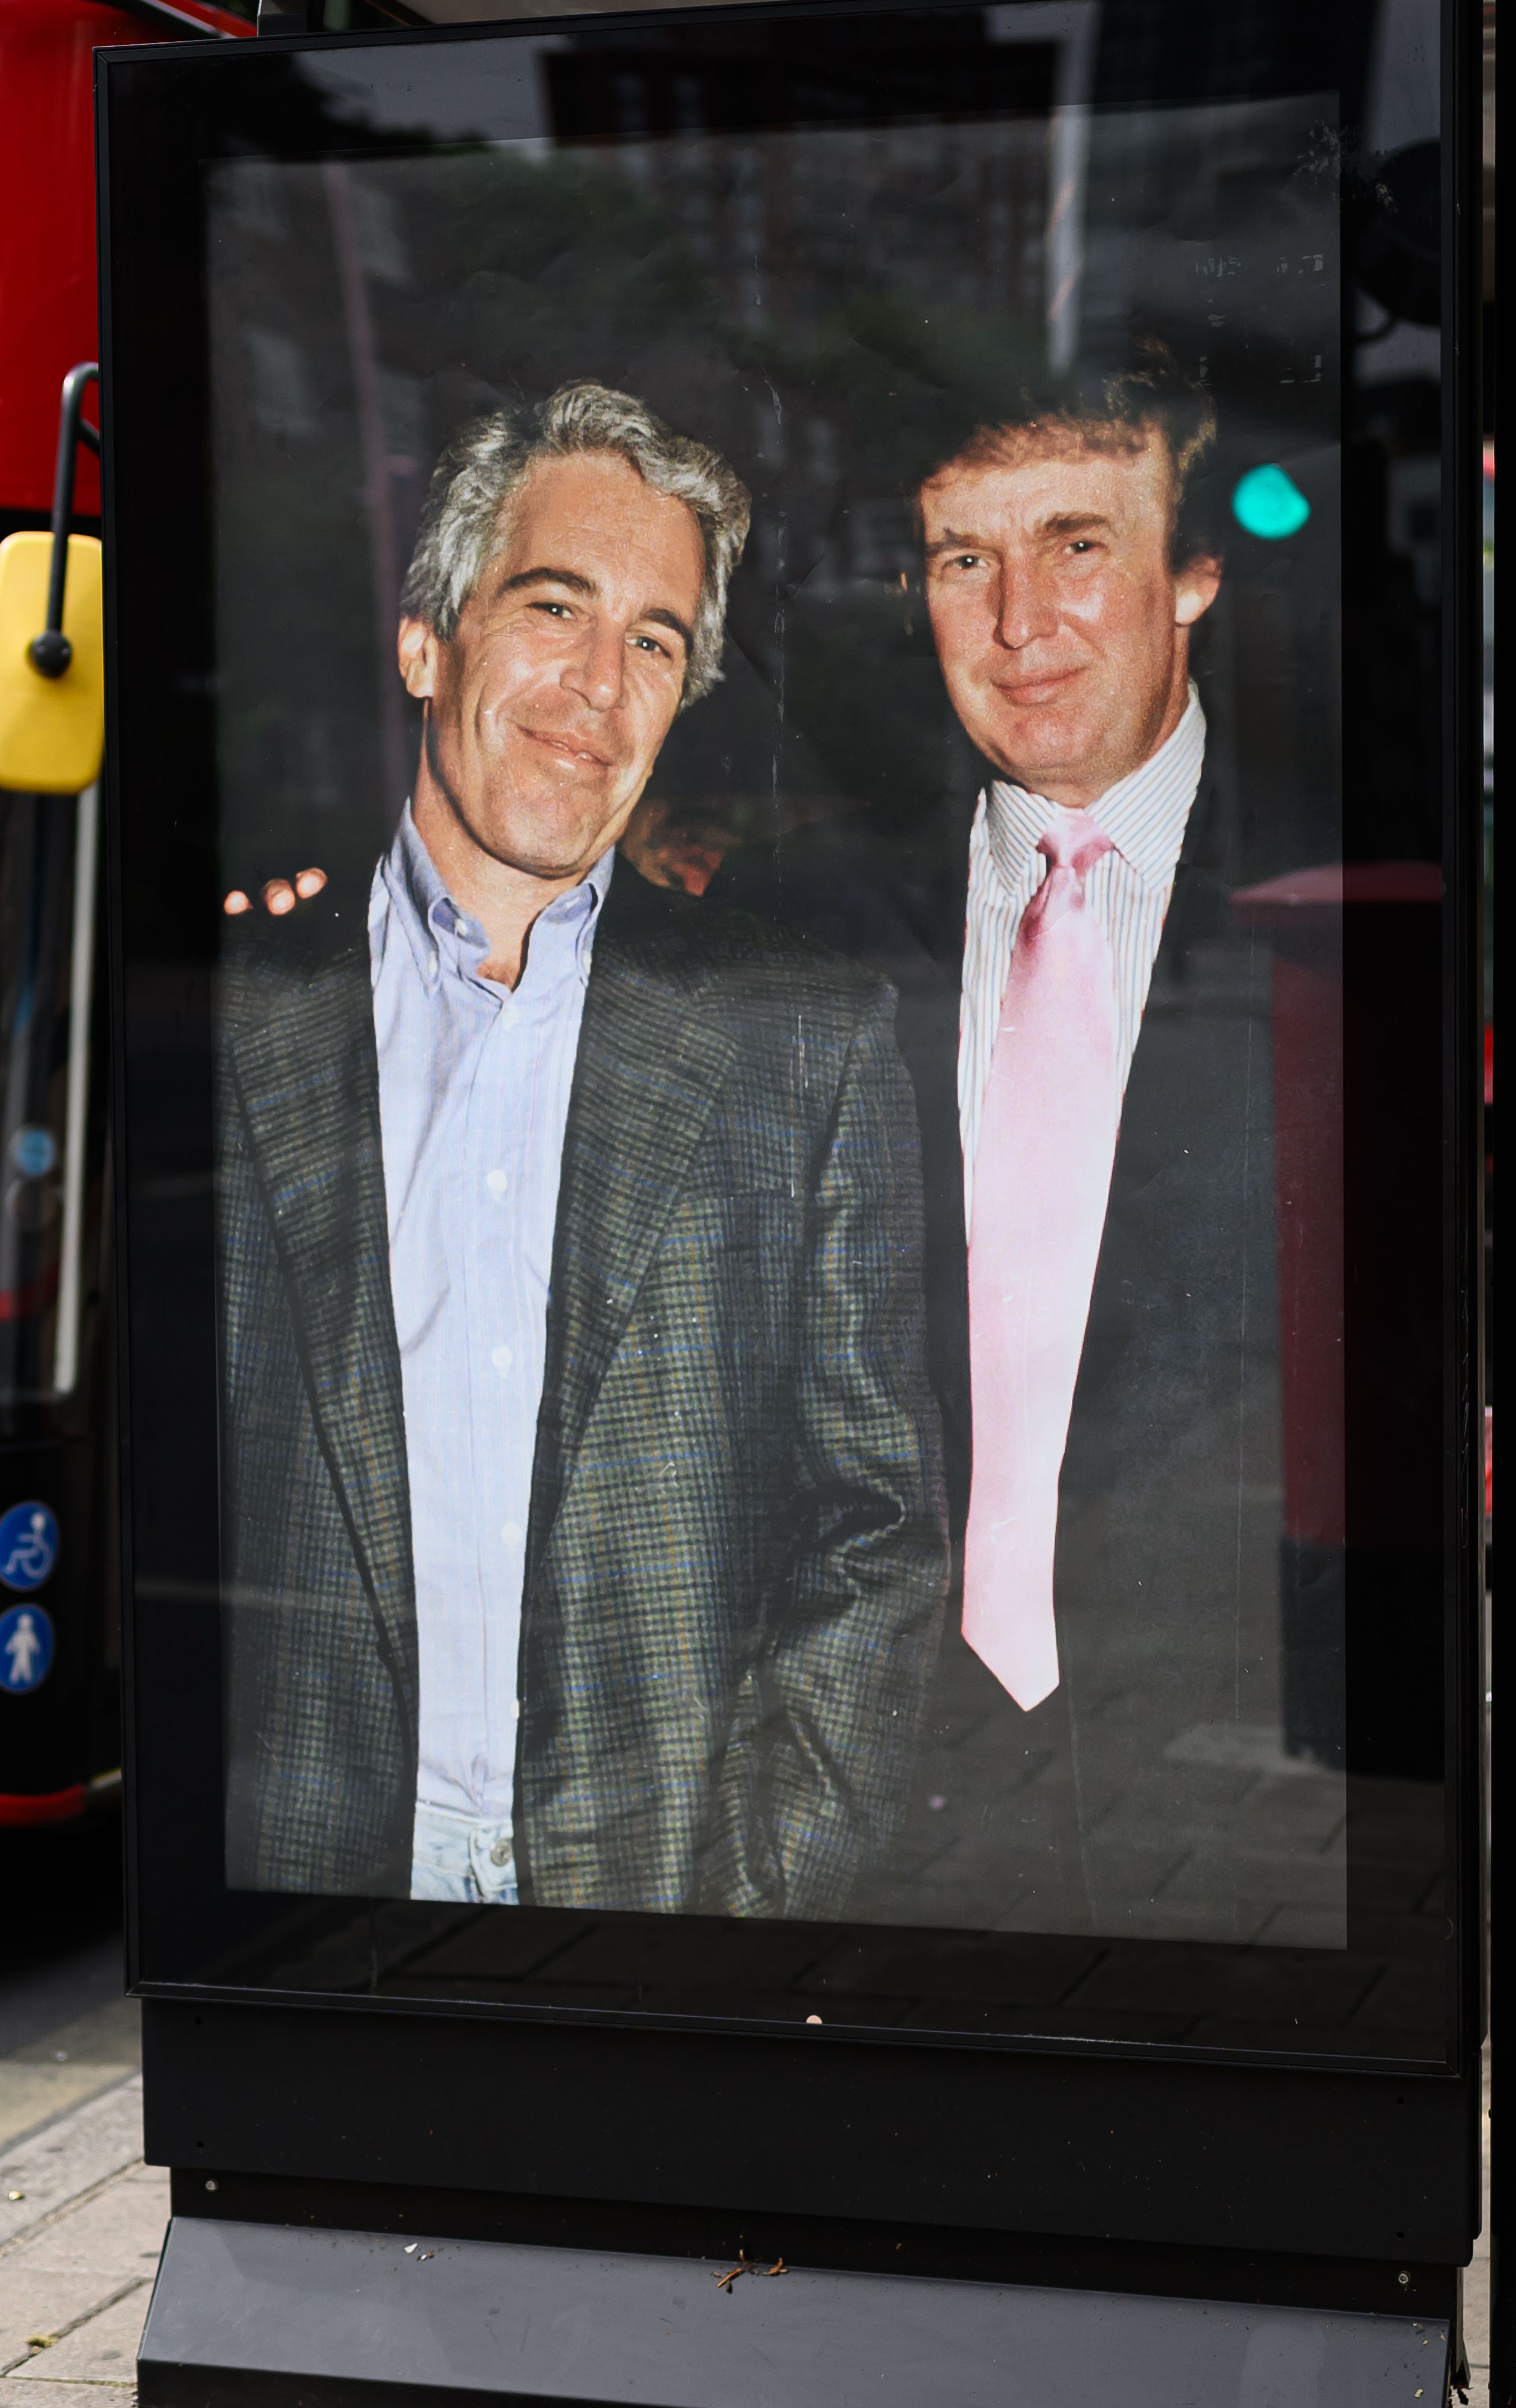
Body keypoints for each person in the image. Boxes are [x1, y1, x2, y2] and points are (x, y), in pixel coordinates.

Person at [214, 382, 944, 1919]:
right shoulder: (222, 1028)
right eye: (554, 607)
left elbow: (875, 1534)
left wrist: (748, 1909)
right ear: (427, 639)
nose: (599, 687)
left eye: (656, 642)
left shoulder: (797, 1046)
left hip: (659, 1929)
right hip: (304, 1928)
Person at [721, 357, 1296, 1941]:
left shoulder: (1317, 908)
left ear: (1194, 574)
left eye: (1074, 547)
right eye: (960, 561)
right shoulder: (808, 927)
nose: (1013, 622)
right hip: (871, 1764)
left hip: (1232, 1767)